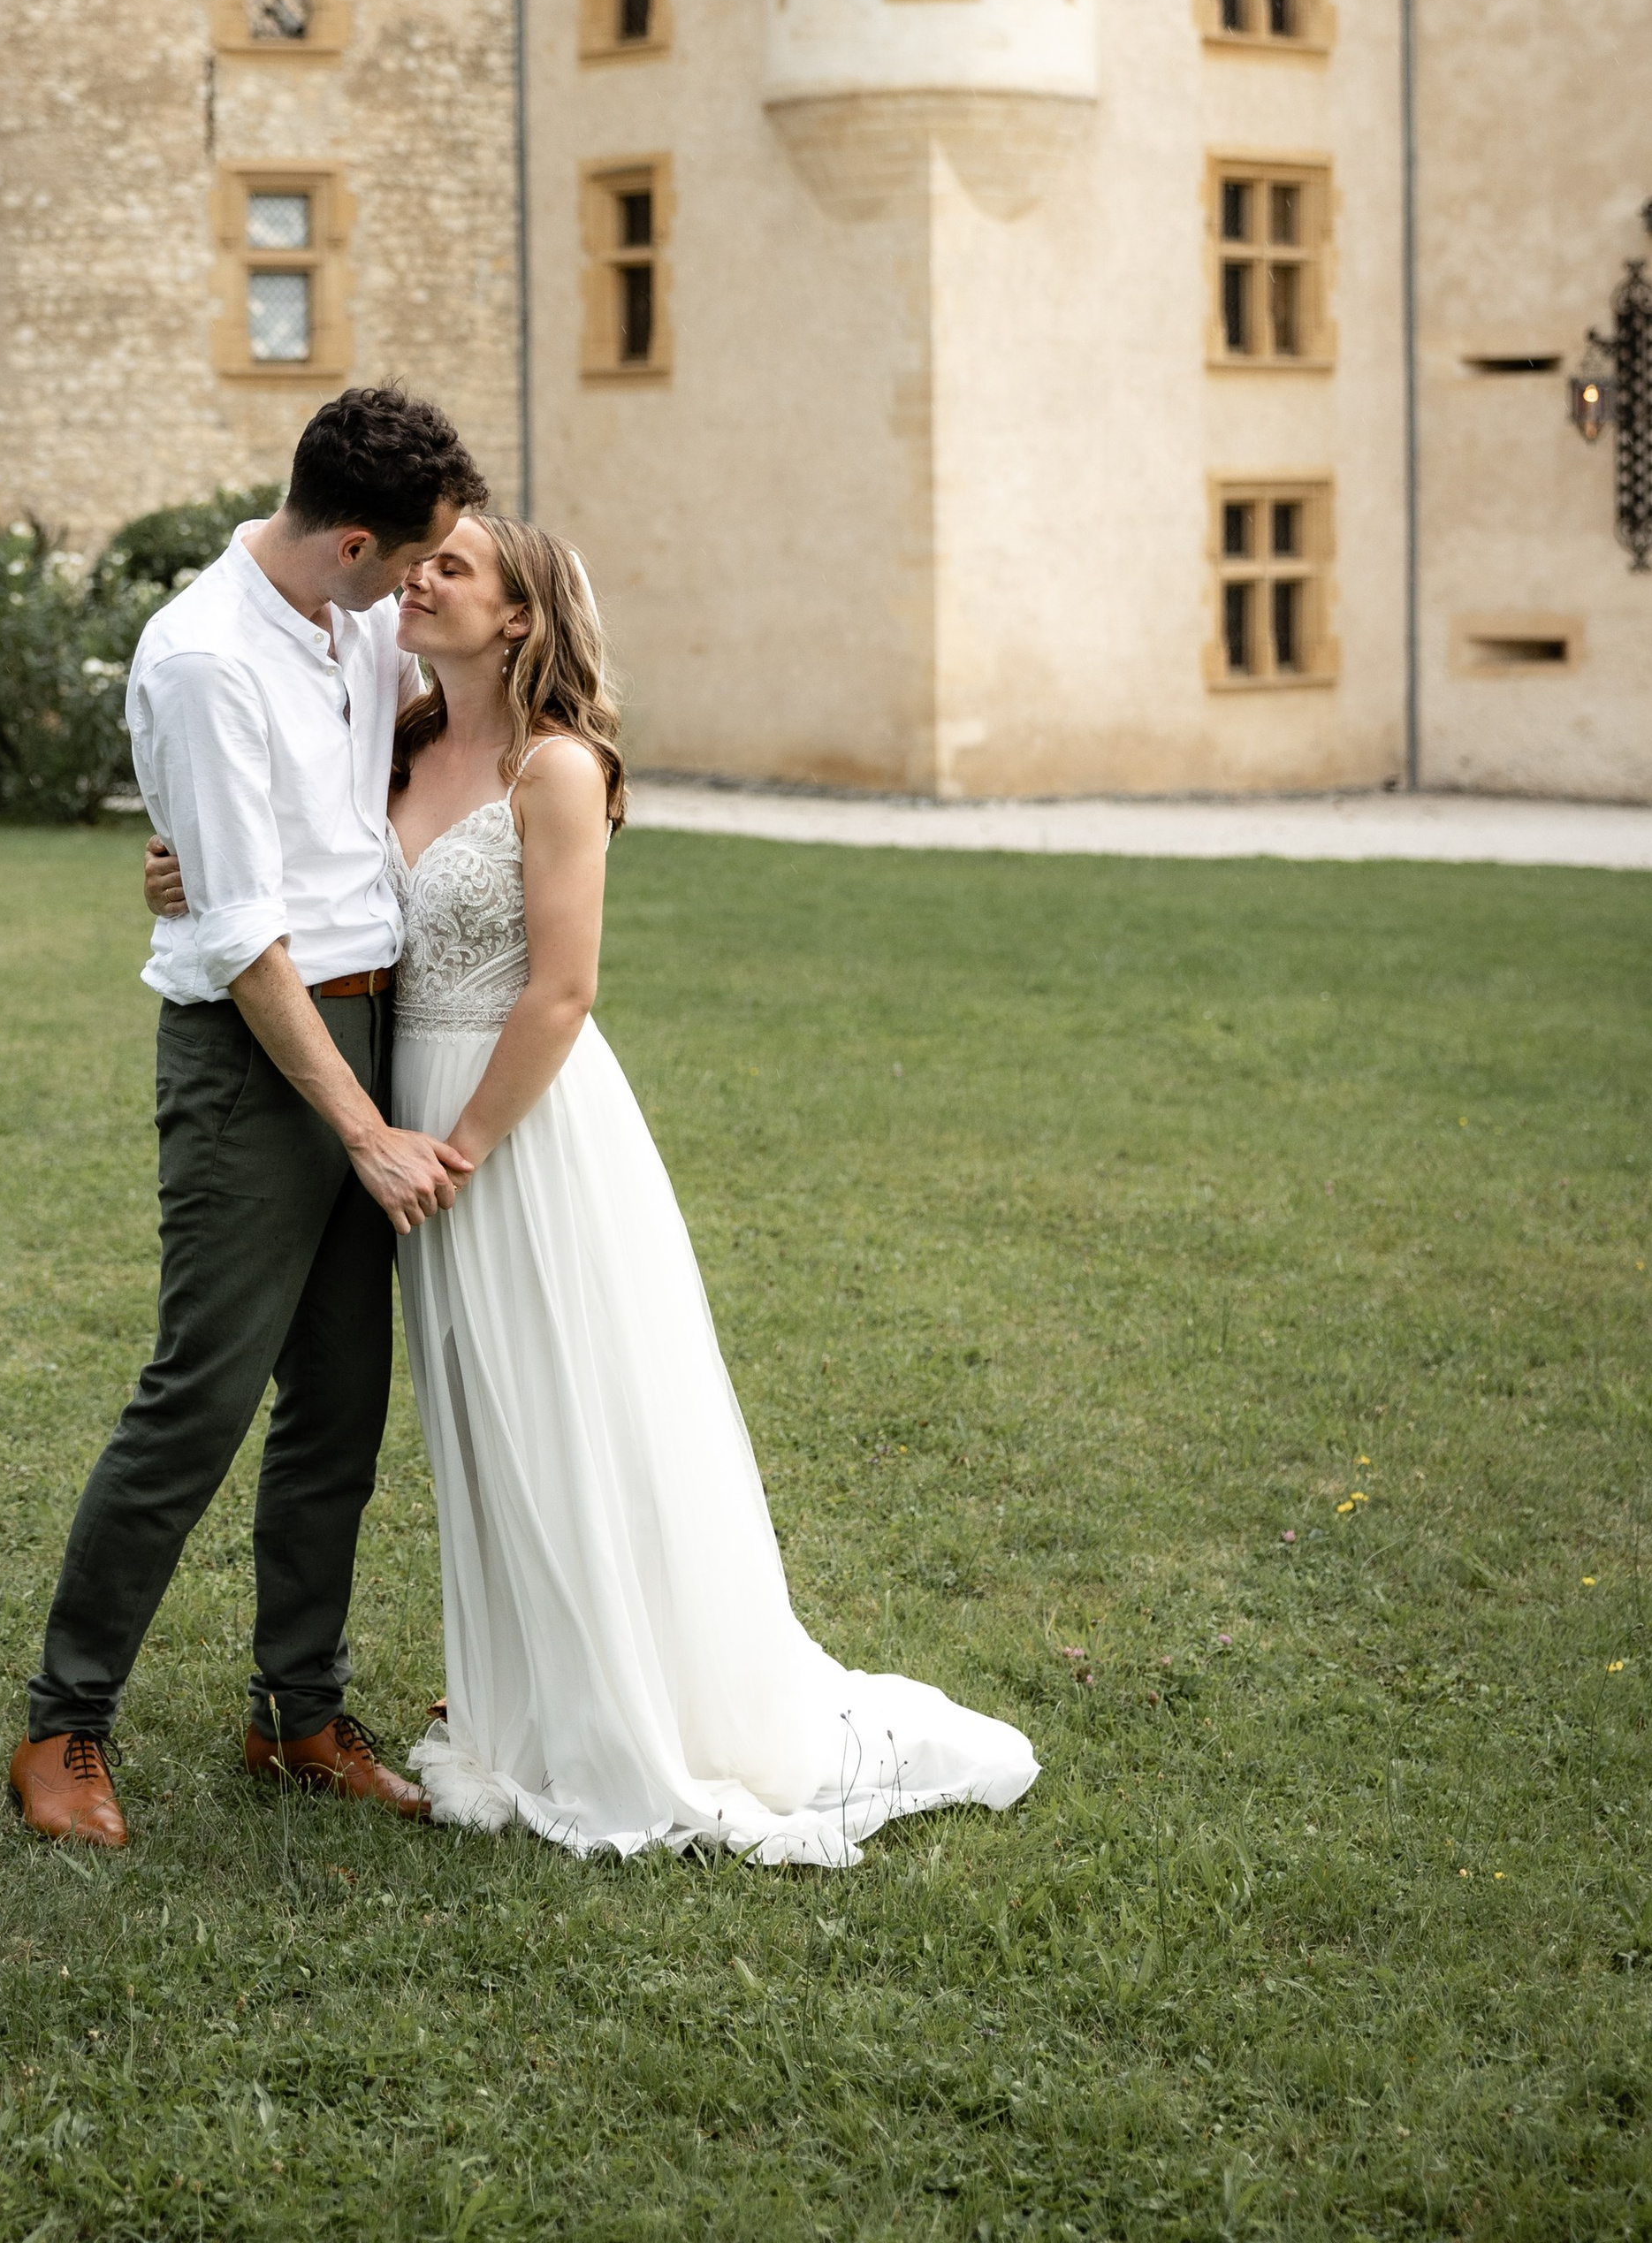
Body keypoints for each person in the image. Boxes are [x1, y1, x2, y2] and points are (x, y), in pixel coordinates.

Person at [149, 511, 1039, 1865]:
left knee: (575, 1398)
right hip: (409, 1119)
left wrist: (465, 1148)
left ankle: (631, 1698)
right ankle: (523, 1690)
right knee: (481, 1414)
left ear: (518, 618)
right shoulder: (387, 736)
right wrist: (180, 869)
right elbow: (282, 873)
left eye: (452, 568)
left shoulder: (556, 767)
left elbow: (563, 990)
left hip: (519, 1126)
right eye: (419, 562)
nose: (418, 578)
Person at [8, 385, 487, 1851]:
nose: (426, 588)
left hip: (374, 1025)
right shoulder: (205, 659)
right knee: (197, 1401)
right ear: (353, 540)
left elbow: (371, 776)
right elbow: (242, 939)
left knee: (340, 1404)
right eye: (414, 564)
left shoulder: (357, 625)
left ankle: (296, 1713)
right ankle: (62, 1724)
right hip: (253, 1055)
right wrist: (357, 1127)